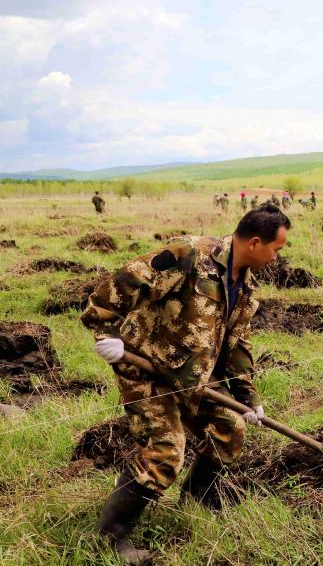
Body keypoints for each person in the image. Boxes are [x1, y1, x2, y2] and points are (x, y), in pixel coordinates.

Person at [81, 204, 290, 564]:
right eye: (276, 249)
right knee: (165, 453)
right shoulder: (189, 254)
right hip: (146, 370)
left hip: (191, 377)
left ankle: (196, 500)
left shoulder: (246, 287)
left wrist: (249, 397)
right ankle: (111, 539)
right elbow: (128, 277)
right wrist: (106, 331)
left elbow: (237, 345)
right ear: (256, 242)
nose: (277, 257)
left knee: (230, 428)